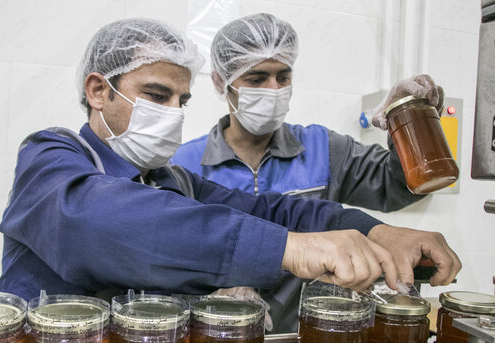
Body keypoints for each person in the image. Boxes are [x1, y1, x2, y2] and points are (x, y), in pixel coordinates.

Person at [0, 19, 460, 343]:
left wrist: (375, 231)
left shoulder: (171, 179)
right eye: (158, 96)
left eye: (183, 100)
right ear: (99, 90)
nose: (175, 112)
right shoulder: (53, 156)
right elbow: (97, 222)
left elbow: (273, 212)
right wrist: (288, 250)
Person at [171, 13, 444, 212]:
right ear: (222, 83)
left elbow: (399, 186)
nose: (273, 89)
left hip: (309, 294)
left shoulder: (323, 149)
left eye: (283, 77)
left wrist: (409, 123)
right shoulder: (186, 164)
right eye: (256, 79)